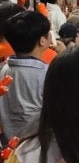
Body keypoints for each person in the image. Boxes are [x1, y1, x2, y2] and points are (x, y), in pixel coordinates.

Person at [0, 8, 52, 141]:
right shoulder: (47, 74)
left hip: (8, 144)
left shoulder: (4, 69)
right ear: (42, 41)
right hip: (35, 148)